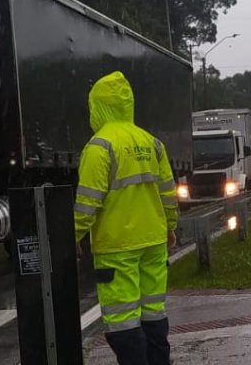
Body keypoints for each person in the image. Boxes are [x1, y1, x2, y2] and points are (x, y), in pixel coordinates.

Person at [73, 71, 178, 365]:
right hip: (154, 242)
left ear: (98, 106)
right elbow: (168, 193)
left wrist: (71, 236)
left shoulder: (100, 146)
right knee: (153, 313)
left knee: (122, 322)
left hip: (117, 247)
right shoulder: (152, 143)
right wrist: (170, 227)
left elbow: (87, 204)